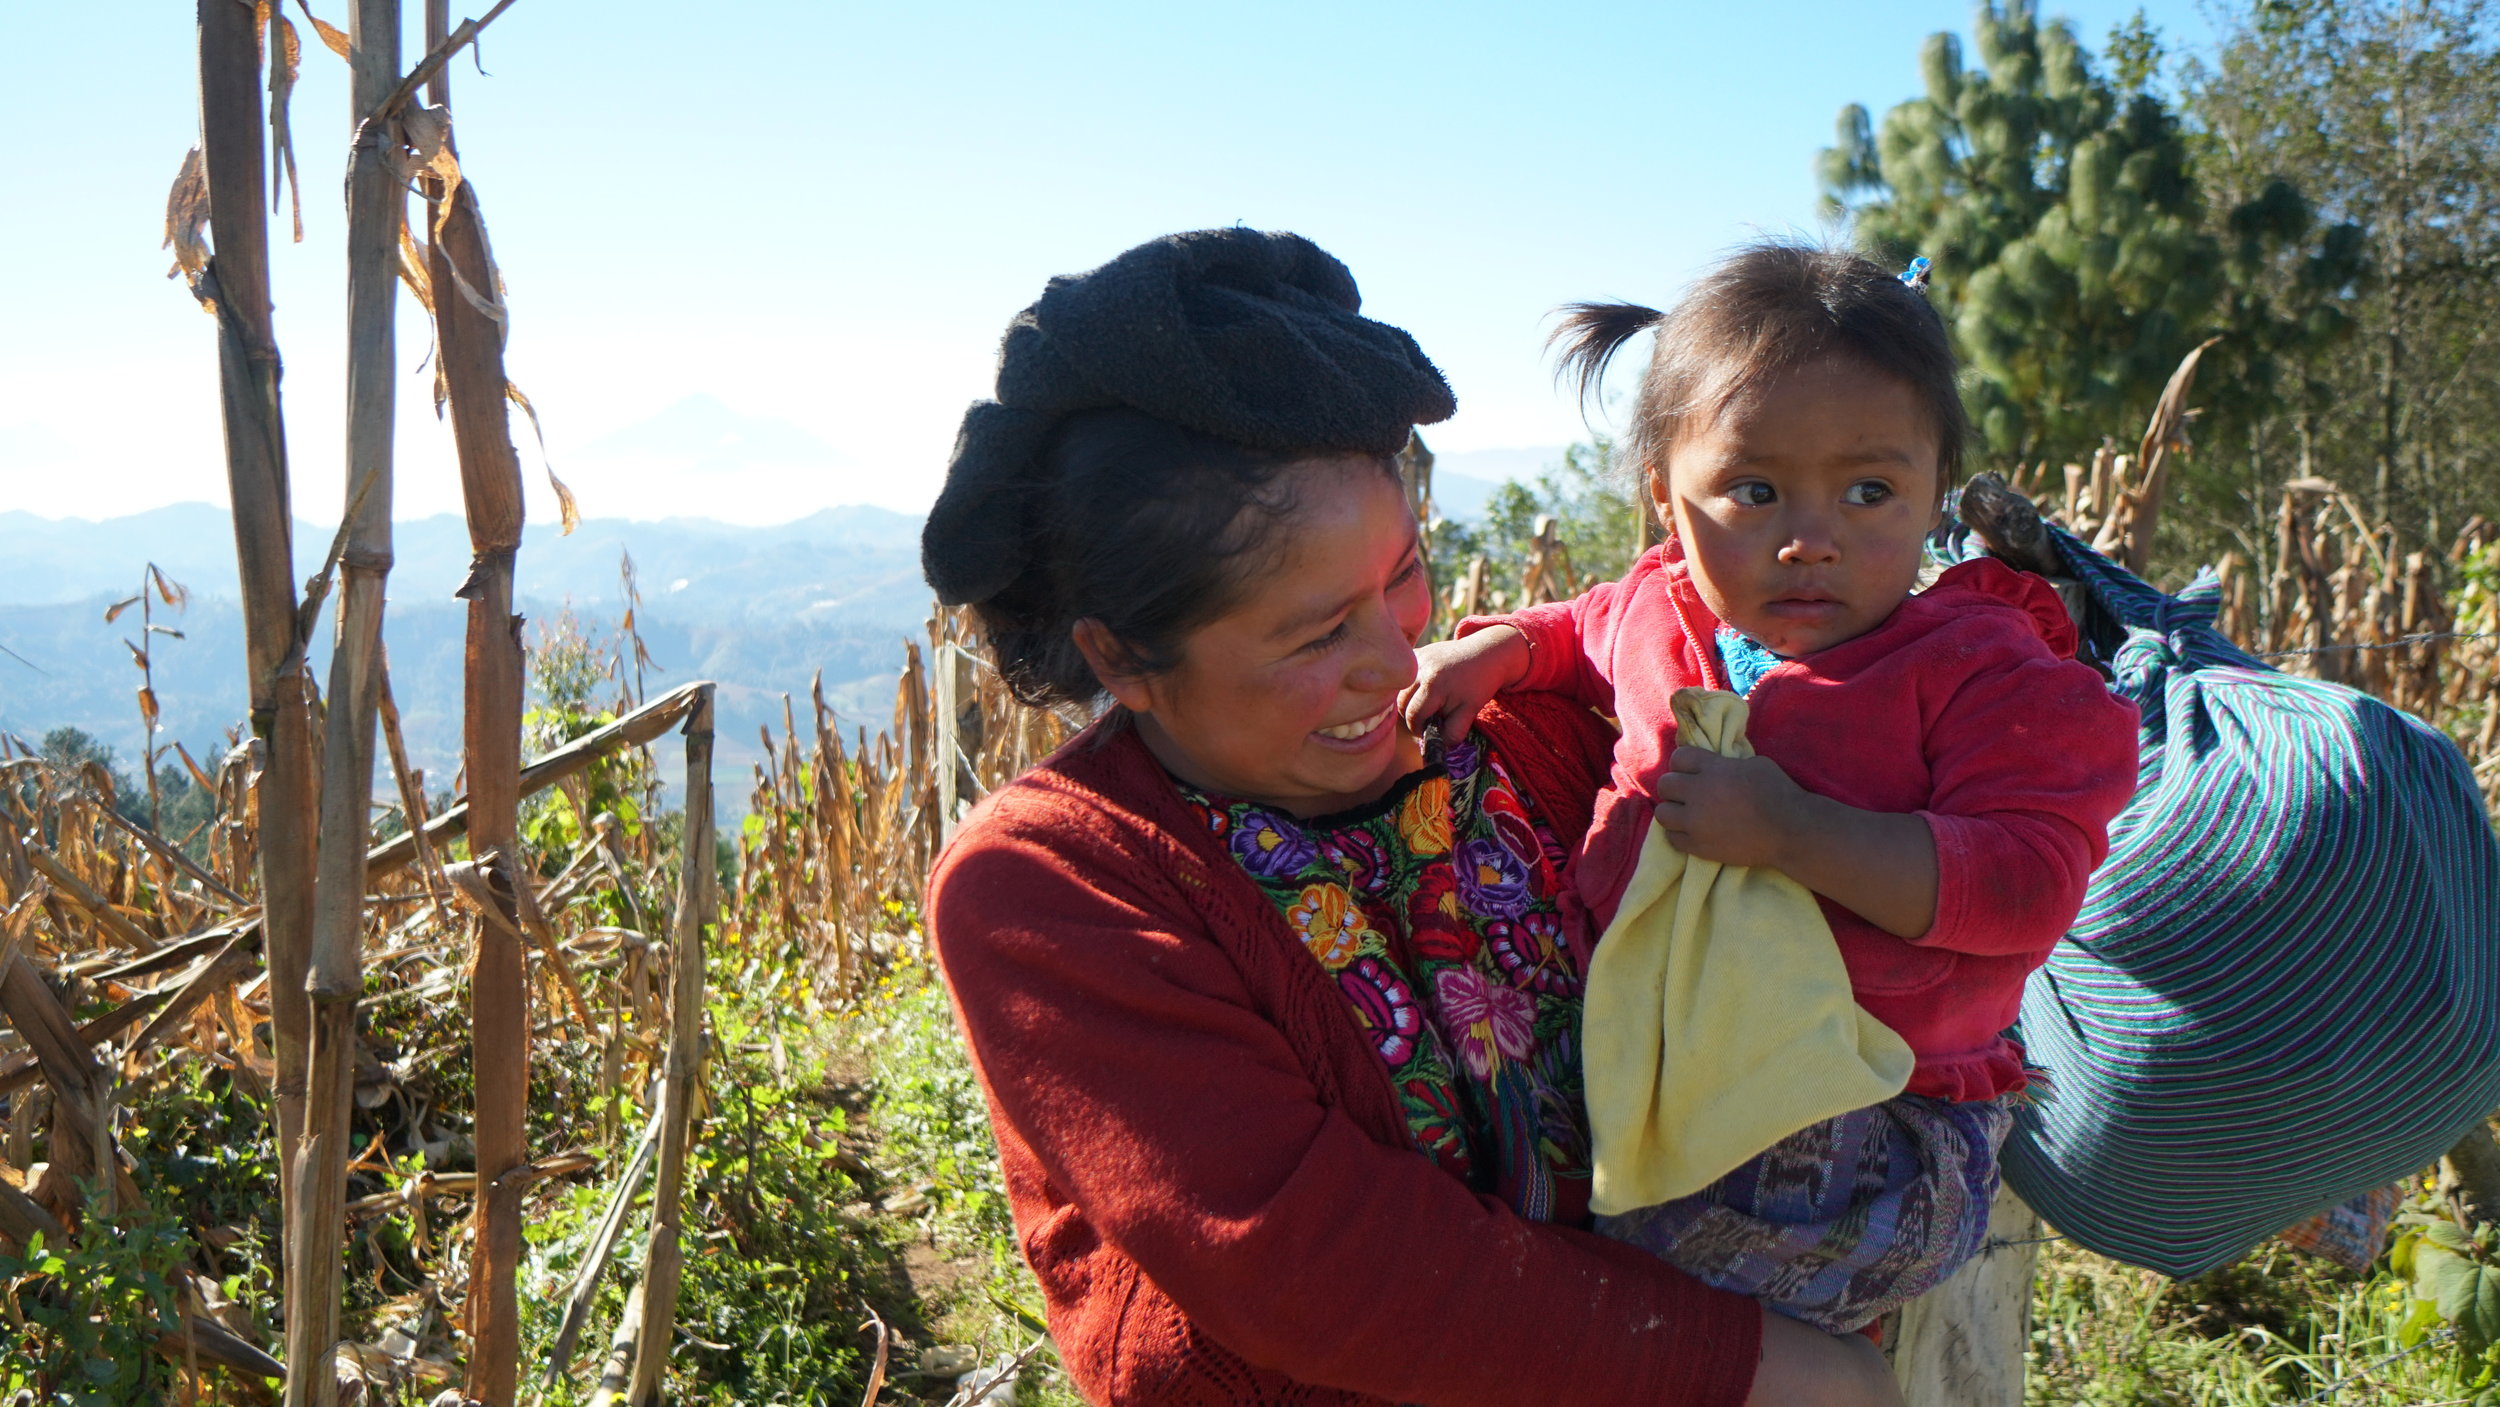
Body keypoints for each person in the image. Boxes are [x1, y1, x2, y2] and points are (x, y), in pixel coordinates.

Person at [920, 228, 1904, 1405]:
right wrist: (1745, 1368)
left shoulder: (1529, 738)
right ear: (1120, 656)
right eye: (1315, 633)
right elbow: (1302, 1254)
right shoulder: (1054, 883)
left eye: (1401, 577)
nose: (1396, 659)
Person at [1403, 241, 2140, 1333]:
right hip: (1669, 1066)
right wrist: (1497, 651)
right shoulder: (1664, 606)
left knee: (1638, 1330)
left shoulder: (1983, 670)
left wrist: (1798, 834)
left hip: (1870, 1114)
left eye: (1869, 491)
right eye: (1753, 492)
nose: (1810, 542)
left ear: (1935, 489)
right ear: (1668, 500)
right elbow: (1577, 633)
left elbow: (2028, 885)